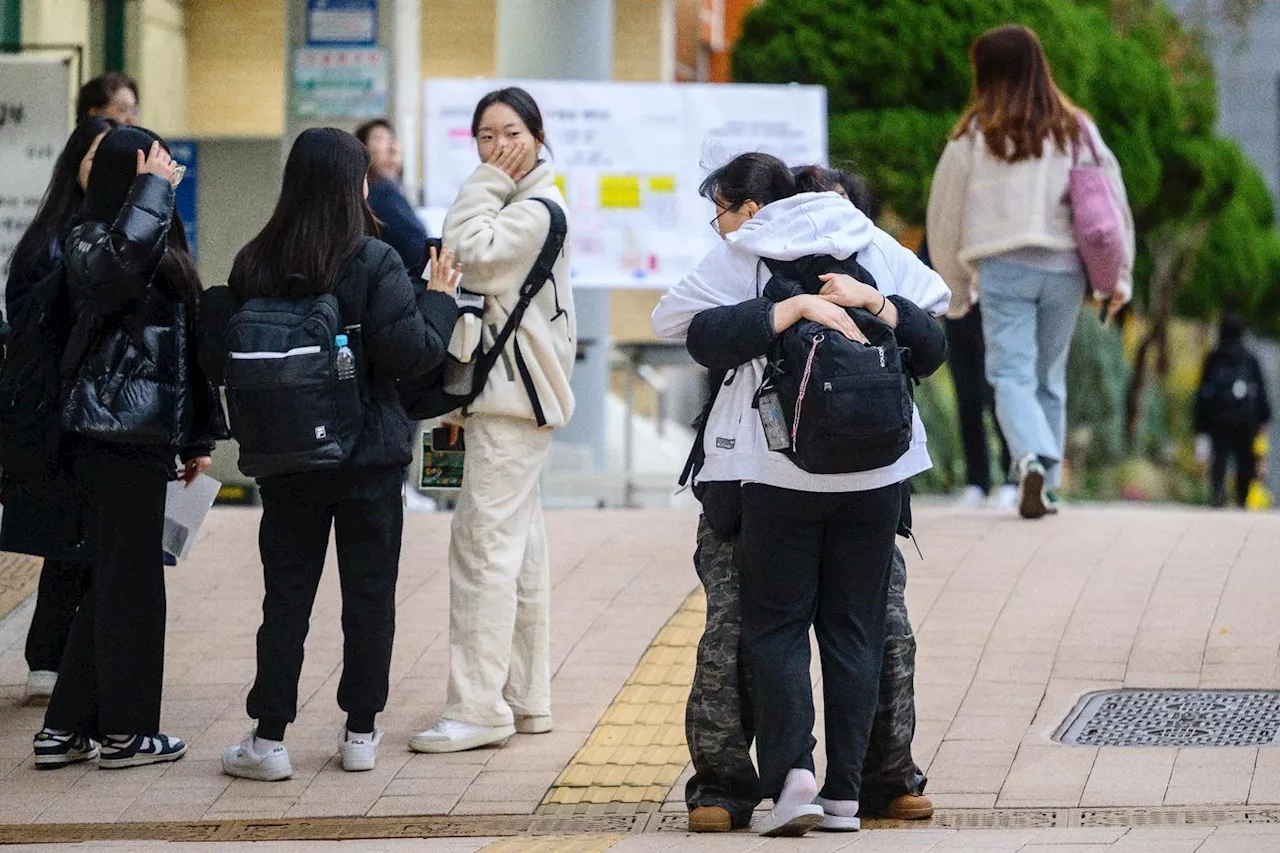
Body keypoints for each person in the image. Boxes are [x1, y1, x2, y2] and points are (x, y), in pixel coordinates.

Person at [653, 153, 949, 836]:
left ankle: (795, 781)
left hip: (779, 470)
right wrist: (873, 301)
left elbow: (681, 324)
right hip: (879, 472)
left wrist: (783, 308)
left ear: (758, 207)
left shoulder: (748, 249)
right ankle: (846, 795)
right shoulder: (871, 242)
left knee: (777, 625)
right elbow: (934, 325)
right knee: (856, 627)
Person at [208, 128, 460, 781]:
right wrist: (438, 296)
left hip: (287, 457)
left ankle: (267, 739)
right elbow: (412, 351)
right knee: (369, 593)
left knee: (285, 596)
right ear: (359, 185)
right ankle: (360, 731)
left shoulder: (255, 261)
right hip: (368, 456)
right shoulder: (372, 260)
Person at [33, 127, 224, 770]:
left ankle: (65, 729)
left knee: (122, 581)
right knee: (131, 587)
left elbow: (184, 350)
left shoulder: (157, 242)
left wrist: (195, 435)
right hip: (108, 435)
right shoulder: (89, 240)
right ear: (131, 174)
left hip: (141, 437)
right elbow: (112, 275)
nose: (169, 173)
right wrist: (151, 194)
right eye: (156, 165)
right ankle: (127, 733)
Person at [411, 87, 575, 754]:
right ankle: (524, 698)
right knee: (518, 553)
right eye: (485, 137)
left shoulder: (535, 209)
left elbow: (467, 254)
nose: (498, 146)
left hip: (511, 404)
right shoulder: (520, 205)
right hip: (506, 402)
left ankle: (478, 707)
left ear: (537, 136)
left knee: (482, 552)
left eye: (510, 133)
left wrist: (481, 181)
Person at [926, 24, 1135, 519]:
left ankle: (1031, 459)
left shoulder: (974, 133)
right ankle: (1051, 480)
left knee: (1010, 375)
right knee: (1048, 376)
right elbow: (1112, 203)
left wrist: (953, 290)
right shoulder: (1076, 127)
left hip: (1003, 268)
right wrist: (1118, 276)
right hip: (1066, 269)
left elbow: (944, 214)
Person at [1, 117, 114, 701]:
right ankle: (50, 655)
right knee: (71, 535)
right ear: (74, 164)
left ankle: (64, 654)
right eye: (96, 156)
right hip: (58, 412)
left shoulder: (137, 232)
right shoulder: (49, 241)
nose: (106, 167)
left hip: (109, 412)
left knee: (94, 538)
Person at [920, 235, 1016, 510]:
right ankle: (977, 481)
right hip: (957, 312)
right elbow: (929, 253)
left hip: (996, 311)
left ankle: (1014, 478)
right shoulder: (947, 209)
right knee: (967, 396)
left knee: (998, 395)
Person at [1194, 314, 1272, 508]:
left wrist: (1200, 426)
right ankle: (1241, 497)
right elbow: (1260, 391)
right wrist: (1264, 418)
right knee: (1245, 459)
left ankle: (1219, 490)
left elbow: (1203, 394)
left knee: (1220, 456)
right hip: (1246, 420)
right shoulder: (1249, 358)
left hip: (1218, 419)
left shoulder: (1214, 357)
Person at [356, 119, 430, 274]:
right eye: (379, 139)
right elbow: (417, 247)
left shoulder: (390, 189)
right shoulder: (381, 193)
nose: (392, 146)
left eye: (392, 139)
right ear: (363, 151)